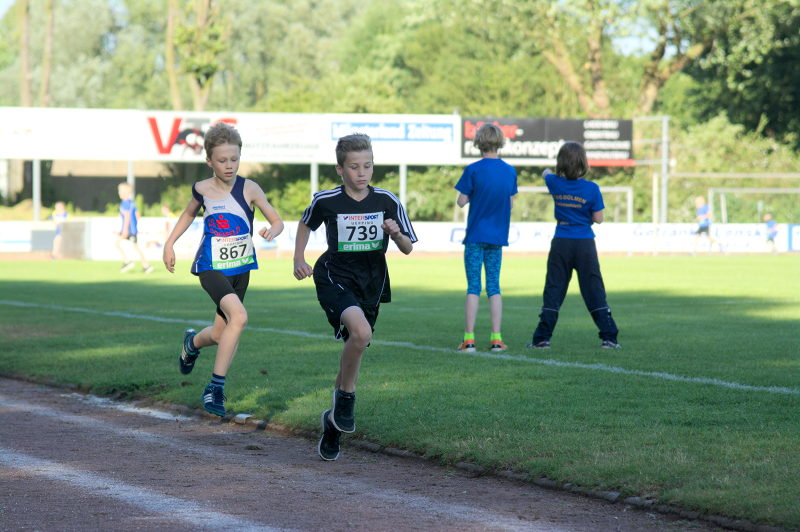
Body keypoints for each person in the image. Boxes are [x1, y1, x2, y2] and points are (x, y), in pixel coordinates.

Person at [293, 133, 416, 461]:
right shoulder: (327, 200)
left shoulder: (387, 201)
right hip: (334, 275)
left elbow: (407, 248)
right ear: (340, 169)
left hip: (372, 283)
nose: (362, 172)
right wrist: (299, 258)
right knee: (361, 334)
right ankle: (346, 402)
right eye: (354, 167)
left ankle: (333, 423)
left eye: (368, 165)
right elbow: (305, 224)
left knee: (356, 345)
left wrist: (396, 233)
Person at [162, 122, 284, 417]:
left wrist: (273, 230)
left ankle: (191, 343)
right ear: (209, 161)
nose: (229, 166)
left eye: (234, 159)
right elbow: (188, 214)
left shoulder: (250, 188)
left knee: (220, 333)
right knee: (239, 317)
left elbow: (277, 220)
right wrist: (169, 244)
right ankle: (215, 388)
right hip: (211, 266)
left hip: (241, 268)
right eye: (222, 160)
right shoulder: (201, 189)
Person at [528, 141, 620, 350]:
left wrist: (549, 172)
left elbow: (545, 174)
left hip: (561, 241)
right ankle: (609, 337)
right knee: (593, 288)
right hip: (585, 243)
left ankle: (542, 338)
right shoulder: (592, 188)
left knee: (554, 288)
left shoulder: (554, 183)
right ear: (583, 163)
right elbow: (598, 219)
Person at [454, 123, 518, 353]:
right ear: (499, 142)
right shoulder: (509, 171)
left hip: (475, 237)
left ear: (479, 142)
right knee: (494, 286)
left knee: (473, 286)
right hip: (497, 237)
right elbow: (510, 203)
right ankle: (496, 338)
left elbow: (461, 201)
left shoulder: (473, 170)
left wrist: (474, 195)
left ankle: (469, 339)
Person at [116, 182, 154, 273]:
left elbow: (127, 216)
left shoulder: (125, 203)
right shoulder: (131, 203)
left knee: (116, 244)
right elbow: (138, 215)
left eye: (120, 191)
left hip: (129, 231)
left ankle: (127, 262)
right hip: (132, 230)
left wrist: (125, 230)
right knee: (135, 247)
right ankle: (146, 265)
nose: (119, 193)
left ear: (124, 193)